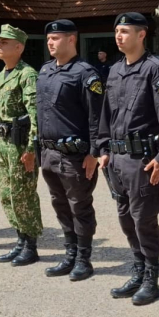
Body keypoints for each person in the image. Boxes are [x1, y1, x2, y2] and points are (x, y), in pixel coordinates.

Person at [97, 12, 159, 305]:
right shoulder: (116, 70)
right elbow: (106, 115)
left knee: (143, 218)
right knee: (125, 218)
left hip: (142, 160)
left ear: (141, 34)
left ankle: (151, 278)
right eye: (117, 31)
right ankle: (138, 268)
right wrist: (104, 149)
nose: (119, 36)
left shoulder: (156, 71)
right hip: (117, 160)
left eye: (125, 31)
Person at [36, 19, 103, 280]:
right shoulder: (45, 71)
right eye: (49, 39)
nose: (51, 43)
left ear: (72, 39)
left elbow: (97, 118)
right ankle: (70, 253)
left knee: (80, 206)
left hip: (75, 156)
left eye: (56, 38)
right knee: (60, 205)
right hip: (49, 153)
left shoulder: (85, 74)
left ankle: (84, 259)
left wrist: (94, 153)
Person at [0, 24, 43, 266]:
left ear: (19, 47)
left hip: (19, 145)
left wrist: (32, 150)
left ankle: (30, 245)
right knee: (8, 195)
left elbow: (35, 114)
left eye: (4, 42)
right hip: (2, 143)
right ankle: (20, 240)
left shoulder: (27, 75)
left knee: (23, 195)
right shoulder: (0, 75)